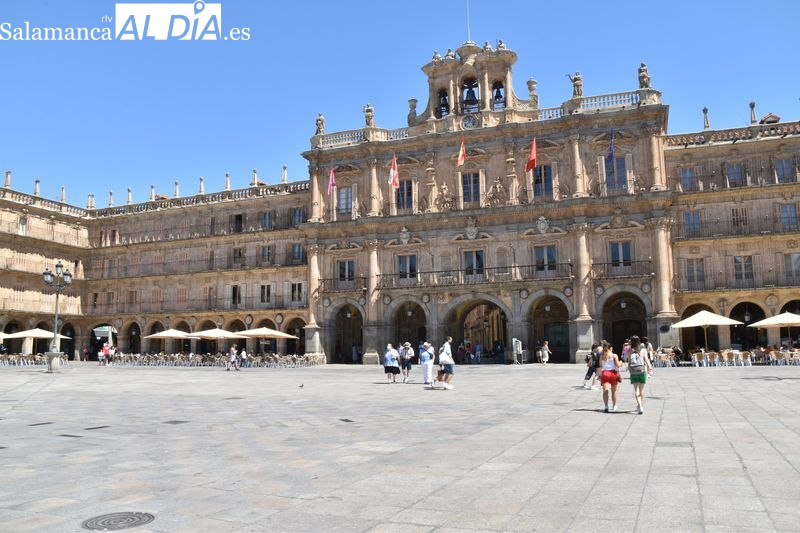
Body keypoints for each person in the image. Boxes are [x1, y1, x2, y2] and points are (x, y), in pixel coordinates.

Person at [628, 335, 654, 414]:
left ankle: (639, 406)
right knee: (641, 390)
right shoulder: (643, 350)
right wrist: (650, 369)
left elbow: (629, 363)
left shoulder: (630, 351)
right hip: (642, 371)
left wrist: (630, 371)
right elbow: (646, 360)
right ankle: (640, 405)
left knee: (636, 390)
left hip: (634, 372)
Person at [599, 340, 622, 412]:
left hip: (605, 373)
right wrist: (621, 362)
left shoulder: (602, 355)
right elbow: (618, 365)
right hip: (613, 373)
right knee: (614, 391)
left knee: (605, 390)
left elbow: (600, 365)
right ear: (611, 348)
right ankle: (614, 405)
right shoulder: (614, 355)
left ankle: (606, 406)